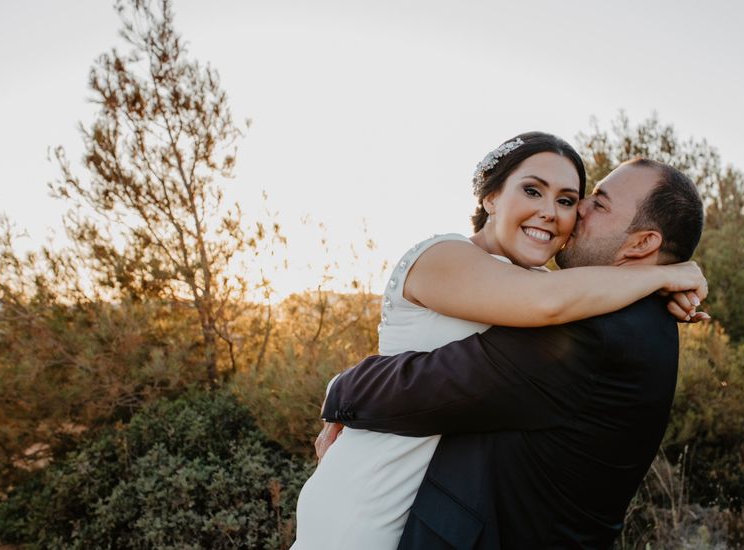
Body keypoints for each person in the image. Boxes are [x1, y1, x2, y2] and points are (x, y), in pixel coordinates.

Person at [294, 135, 707, 549]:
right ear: (491, 197)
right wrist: (660, 276)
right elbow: (545, 303)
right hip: (372, 484)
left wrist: (660, 278)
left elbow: (549, 305)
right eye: (532, 190)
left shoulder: (584, 312)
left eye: (575, 200)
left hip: (420, 498)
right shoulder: (446, 257)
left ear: (642, 243)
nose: (562, 212)